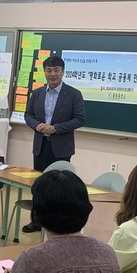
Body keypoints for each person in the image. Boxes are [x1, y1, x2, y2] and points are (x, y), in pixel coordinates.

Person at [22, 55, 85, 233]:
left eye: (56, 70)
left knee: (60, 188)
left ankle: (57, 222)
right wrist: (37, 126)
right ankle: (36, 221)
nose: (52, 74)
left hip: (61, 149)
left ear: (63, 72)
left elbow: (80, 119)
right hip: (40, 146)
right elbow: (28, 115)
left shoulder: (73, 94)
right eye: (49, 70)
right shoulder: (37, 93)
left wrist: (55, 128)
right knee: (39, 185)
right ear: (44, 72)